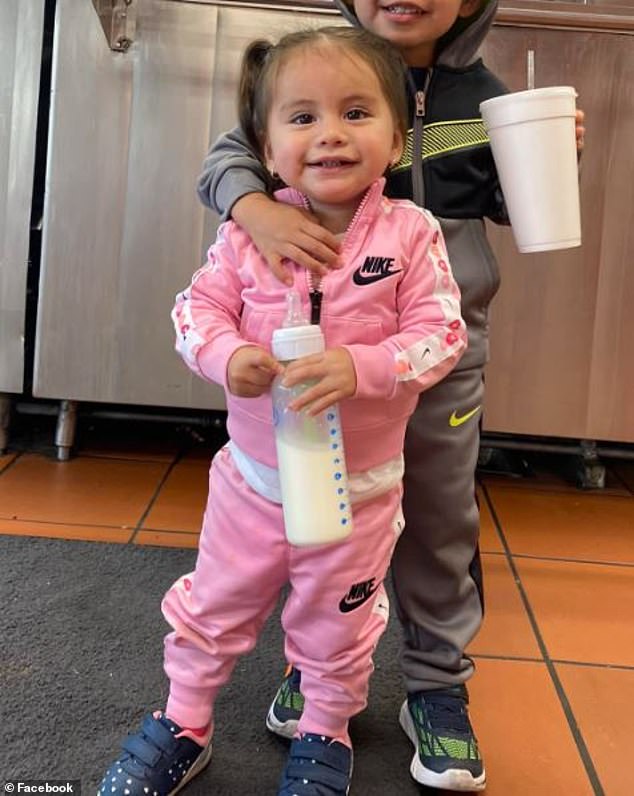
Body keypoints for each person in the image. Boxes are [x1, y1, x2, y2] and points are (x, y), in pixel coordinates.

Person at [198, 1, 586, 792]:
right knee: (317, 526)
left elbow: (516, 207)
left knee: (438, 521)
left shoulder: (482, 95)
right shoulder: (311, 70)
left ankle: (437, 685)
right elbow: (228, 157)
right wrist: (256, 207)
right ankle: (316, 669)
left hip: (437, 350)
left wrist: (553, 156)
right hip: (316, 365)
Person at [99, 25, 467, 796]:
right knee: (216, 603)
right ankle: (184, 720)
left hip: (361, 494)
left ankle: (324, 730)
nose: (330, 134)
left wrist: (362, 366)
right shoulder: (247, 235)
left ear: (398, 140)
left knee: (338, 625)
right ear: (265, 149)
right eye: (302, 118)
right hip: (252, 485)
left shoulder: (410, 234)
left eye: (356, 113)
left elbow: (442, 336)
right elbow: (195, 311)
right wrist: (226, 357)